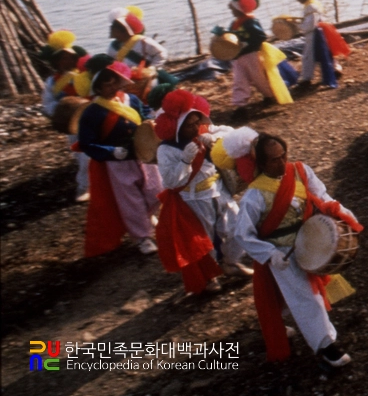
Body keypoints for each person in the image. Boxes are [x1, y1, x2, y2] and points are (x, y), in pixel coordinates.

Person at [234, 133, 361, 366]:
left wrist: (339, 210)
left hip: (309, 242)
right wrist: (269, 254)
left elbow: (321, 196)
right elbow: (243, 234)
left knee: (296, 294)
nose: (282, 162)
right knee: (307, 299)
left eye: (284, 156)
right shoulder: (254, 196)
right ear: (261, 164)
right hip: (282, 252)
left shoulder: (301, 171)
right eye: (274, 159)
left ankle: (280, 321)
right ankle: (325, 346)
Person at [152, 89, 254, 294]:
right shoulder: (167, 150)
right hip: (193, 199)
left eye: (198, 121)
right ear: (178, 126)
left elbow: (232, 133)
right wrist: (185, 161)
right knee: (203, 240)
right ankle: (209, 277)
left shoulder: (204, 131)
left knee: (238, 226)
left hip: (218, 189)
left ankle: (230, 262)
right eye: (190, 125)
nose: (196, 127)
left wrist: (214, 139)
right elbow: (171, 182)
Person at [76, 56, 162, 257]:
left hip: (143, 153)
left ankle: (147, 216)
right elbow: (86, 143)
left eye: (115, 81)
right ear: (97, 87)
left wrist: (151, 123)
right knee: (130, 200)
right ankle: (142, 237)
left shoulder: (130, 99)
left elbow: (145, 113)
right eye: (107, 83)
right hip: (118, 162)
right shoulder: (92, 112)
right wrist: (110, 152)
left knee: (155, 190)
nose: (112, 86)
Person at [216, 0, 297, 111]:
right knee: (239, 81)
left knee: (260, 80)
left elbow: (260, 37)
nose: (231, 9)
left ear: (240, 7)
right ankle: (240, 106)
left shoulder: (250, 22)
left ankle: (270, 95)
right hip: (238, 58)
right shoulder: (234, 23)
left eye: (233, 8)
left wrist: (246, 43)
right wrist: (223, 35)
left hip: (251, 56)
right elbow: (231, 37)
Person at [39, 30, 91, 202]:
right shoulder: (53, 82)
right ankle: (87, 183)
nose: (67, 61)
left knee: (87, 156)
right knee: (79, 154)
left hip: (91, 118)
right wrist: (62, 109)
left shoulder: (86, 75)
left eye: (69, 57)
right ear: (57, 62)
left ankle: (83, 186)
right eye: (63, 58)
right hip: (71, 122)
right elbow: (48, 103)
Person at [107, 6, 177, 107]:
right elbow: (112, 64)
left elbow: (161, 53)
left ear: (124, 30)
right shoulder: (113, 47)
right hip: (128, 83)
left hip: (148, 80)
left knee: (154, 101)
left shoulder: (143, 41)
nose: (112, 31)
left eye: (115, 28)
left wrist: (151, 69)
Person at [294, 0, 349, 90]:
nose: (297, 0)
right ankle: (335, 68)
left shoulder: (310, 7)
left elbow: (310, 25)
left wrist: (298, 26)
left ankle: (306, 78)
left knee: (308, 56)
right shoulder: (315, 4)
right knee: (326, 53)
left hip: (313, 35)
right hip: (321, 32)